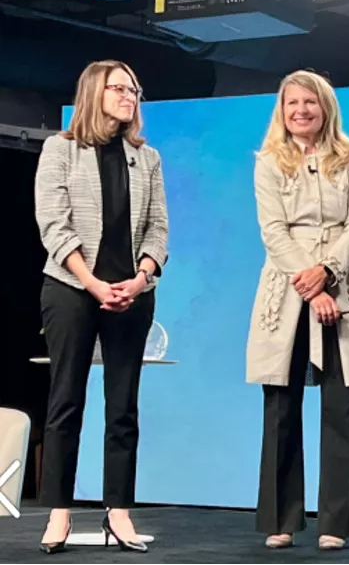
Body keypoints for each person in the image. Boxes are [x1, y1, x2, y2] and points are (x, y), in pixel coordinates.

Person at [34, 60, 169, 554]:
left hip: (132, 293)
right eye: (119, 88)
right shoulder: (60, 150)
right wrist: (92, 283)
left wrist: (139, 279)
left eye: (134, 89)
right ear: (94, 92)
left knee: (123, 405)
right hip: (72, 288)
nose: (129, 96)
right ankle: (58, 512)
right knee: (66, 400)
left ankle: (119, 512)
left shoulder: (146, 158)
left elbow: (158, 228)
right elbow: (54, 224)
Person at [245, 69, 349, 551]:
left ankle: (336, 522)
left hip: (341, 283)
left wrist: (328, 273)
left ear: (326, 108)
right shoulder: (268, 161)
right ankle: (280, 519)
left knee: (343, 404)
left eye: (310, 103)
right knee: (281, 404)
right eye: (292, 103)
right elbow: (272, 230)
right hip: (287, 286)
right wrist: (311, 284)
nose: (301, 111)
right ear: (282, 110)